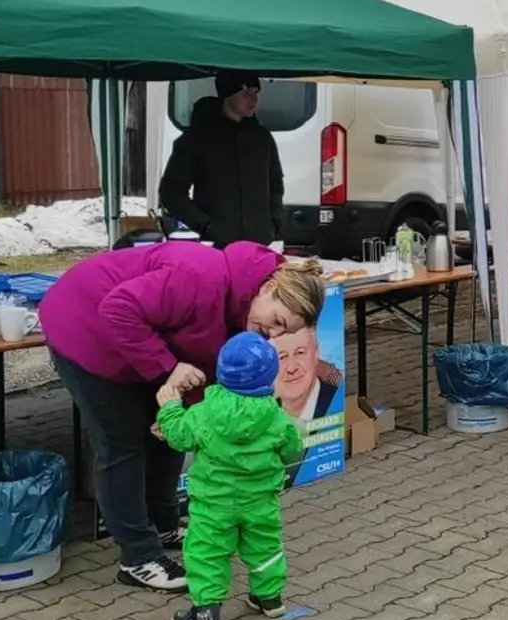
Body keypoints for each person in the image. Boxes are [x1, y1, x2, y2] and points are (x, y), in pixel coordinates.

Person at [38, 240, 325, 592]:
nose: (273, 334)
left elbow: (205, 366)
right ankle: (138, 557)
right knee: (122, 442)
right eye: (278, 321)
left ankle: (163, 524)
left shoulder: (244, 312)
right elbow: (118, 309)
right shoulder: (199, 278)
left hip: (138, 341)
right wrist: (167, 368)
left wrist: (197, 412)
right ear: (268, 287)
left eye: (286, 331)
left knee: (168, 433)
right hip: (84, 325)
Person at [157, 332, 303, 620]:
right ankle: (269, 598)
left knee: (207, 553)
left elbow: (179, 436)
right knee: (265, 547)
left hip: (213, 504)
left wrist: (169, 408)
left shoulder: (203, 413)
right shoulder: (277, 417)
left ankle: (206, 614)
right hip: (261, 501)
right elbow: (292, 450)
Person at [157, 73, 286, 248]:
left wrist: (275, 222)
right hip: (217, 246)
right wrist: (205, 225)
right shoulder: (196, 139)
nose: (253, 98)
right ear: (227, 94)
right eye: (246, 91)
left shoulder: (262, 138)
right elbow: (171, 192)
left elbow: (275, 184)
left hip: (259, 243)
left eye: (256, 91)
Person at [271, 326, 342, 425]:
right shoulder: (265, 415)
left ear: (316, 353)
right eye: (282, 357)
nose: (291, 368)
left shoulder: (336, 402)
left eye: (300, 353)